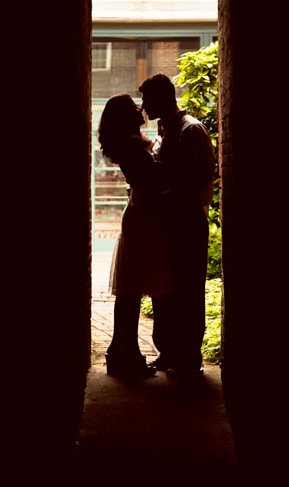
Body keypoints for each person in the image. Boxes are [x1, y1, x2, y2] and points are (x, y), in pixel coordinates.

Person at [139, 73, 217, 378]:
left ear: (162, 98)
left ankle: (189, 358)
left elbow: (198, 180)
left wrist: (161, 196)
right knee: (166, 290)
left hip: (185, 223)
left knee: (188, 290)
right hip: (167, 223)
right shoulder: (165, 129)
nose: (143, 105)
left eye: (147, 99)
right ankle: (169, 352)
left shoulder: (191, 130)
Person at [98, 93, 173, 379]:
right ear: (125, 116)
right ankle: (124, 355)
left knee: (131, 291)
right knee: (131, 292)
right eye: (133, 107)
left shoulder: (129, 144)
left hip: (141, 215)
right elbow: (154, 179)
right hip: (143, 218)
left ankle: (122, 353)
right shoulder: (131, 146)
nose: (139, 108)